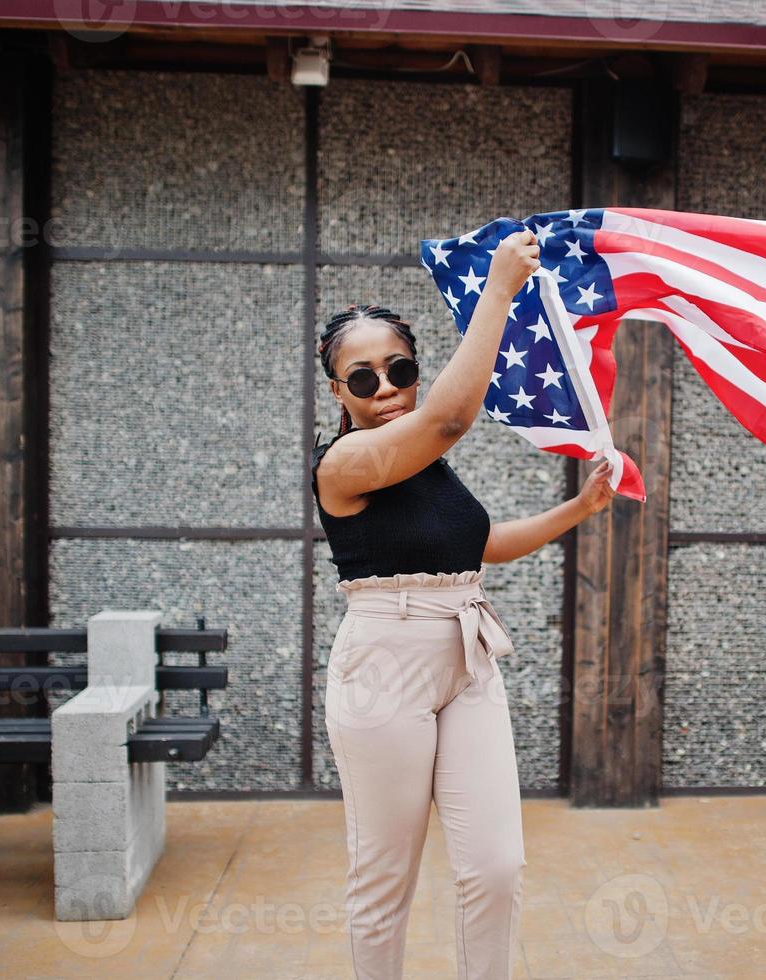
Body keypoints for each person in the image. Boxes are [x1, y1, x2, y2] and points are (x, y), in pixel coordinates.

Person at [310, 229, 618, 979]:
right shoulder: (345, 463)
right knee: (385, 879)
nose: (384, 388)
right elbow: (450, 416)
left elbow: (474, 547)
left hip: (468, 656)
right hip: (385, 666)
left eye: (399, 369)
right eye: (362, 378)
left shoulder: (430, 468)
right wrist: (499, 291)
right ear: (335, 391)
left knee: (495, 866)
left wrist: (578, 509)